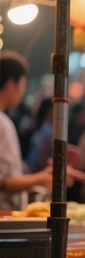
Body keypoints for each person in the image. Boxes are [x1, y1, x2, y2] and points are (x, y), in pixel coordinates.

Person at [0, 52, 53, 209]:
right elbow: (5, 182)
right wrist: (42, 178)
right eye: (23, 84)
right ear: (11, 83)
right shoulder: (2, 122)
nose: (23, 92)